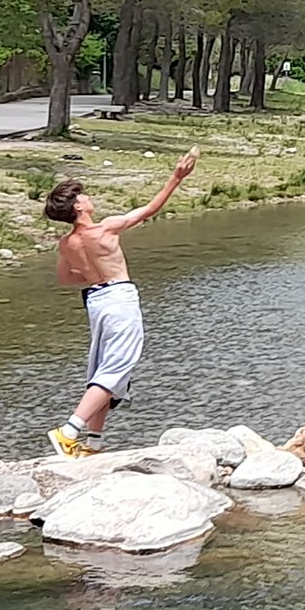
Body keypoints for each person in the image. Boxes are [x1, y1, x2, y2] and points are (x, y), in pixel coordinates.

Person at [42, 147, 199, 458]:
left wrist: (94, 275)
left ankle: (93, 443)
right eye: (83, 197)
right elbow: (149, 209)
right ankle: (69, 430)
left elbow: (66, 278)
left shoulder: (67, 243)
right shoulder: (106, 228)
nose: (88, 198)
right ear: (77, 207)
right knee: (117, 365)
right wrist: (176, 178)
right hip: (119, 297)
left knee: (105, 368)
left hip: (96, 301)